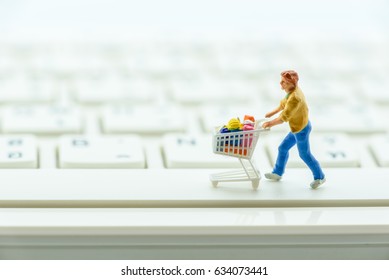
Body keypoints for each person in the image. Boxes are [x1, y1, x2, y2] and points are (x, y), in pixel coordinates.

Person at [262, 70, 326, 189]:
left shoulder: (295, 98)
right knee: (283, 148)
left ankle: (320, 176)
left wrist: (270, 123)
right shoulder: (291, 92)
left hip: (301, 130)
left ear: (292, 83)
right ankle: (277, 173)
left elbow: (283, 118)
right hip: (297, 128)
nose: (281, 84)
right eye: (281, 81)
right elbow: (283, 105)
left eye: (284, 82)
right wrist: (272, 113)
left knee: (304, 155)